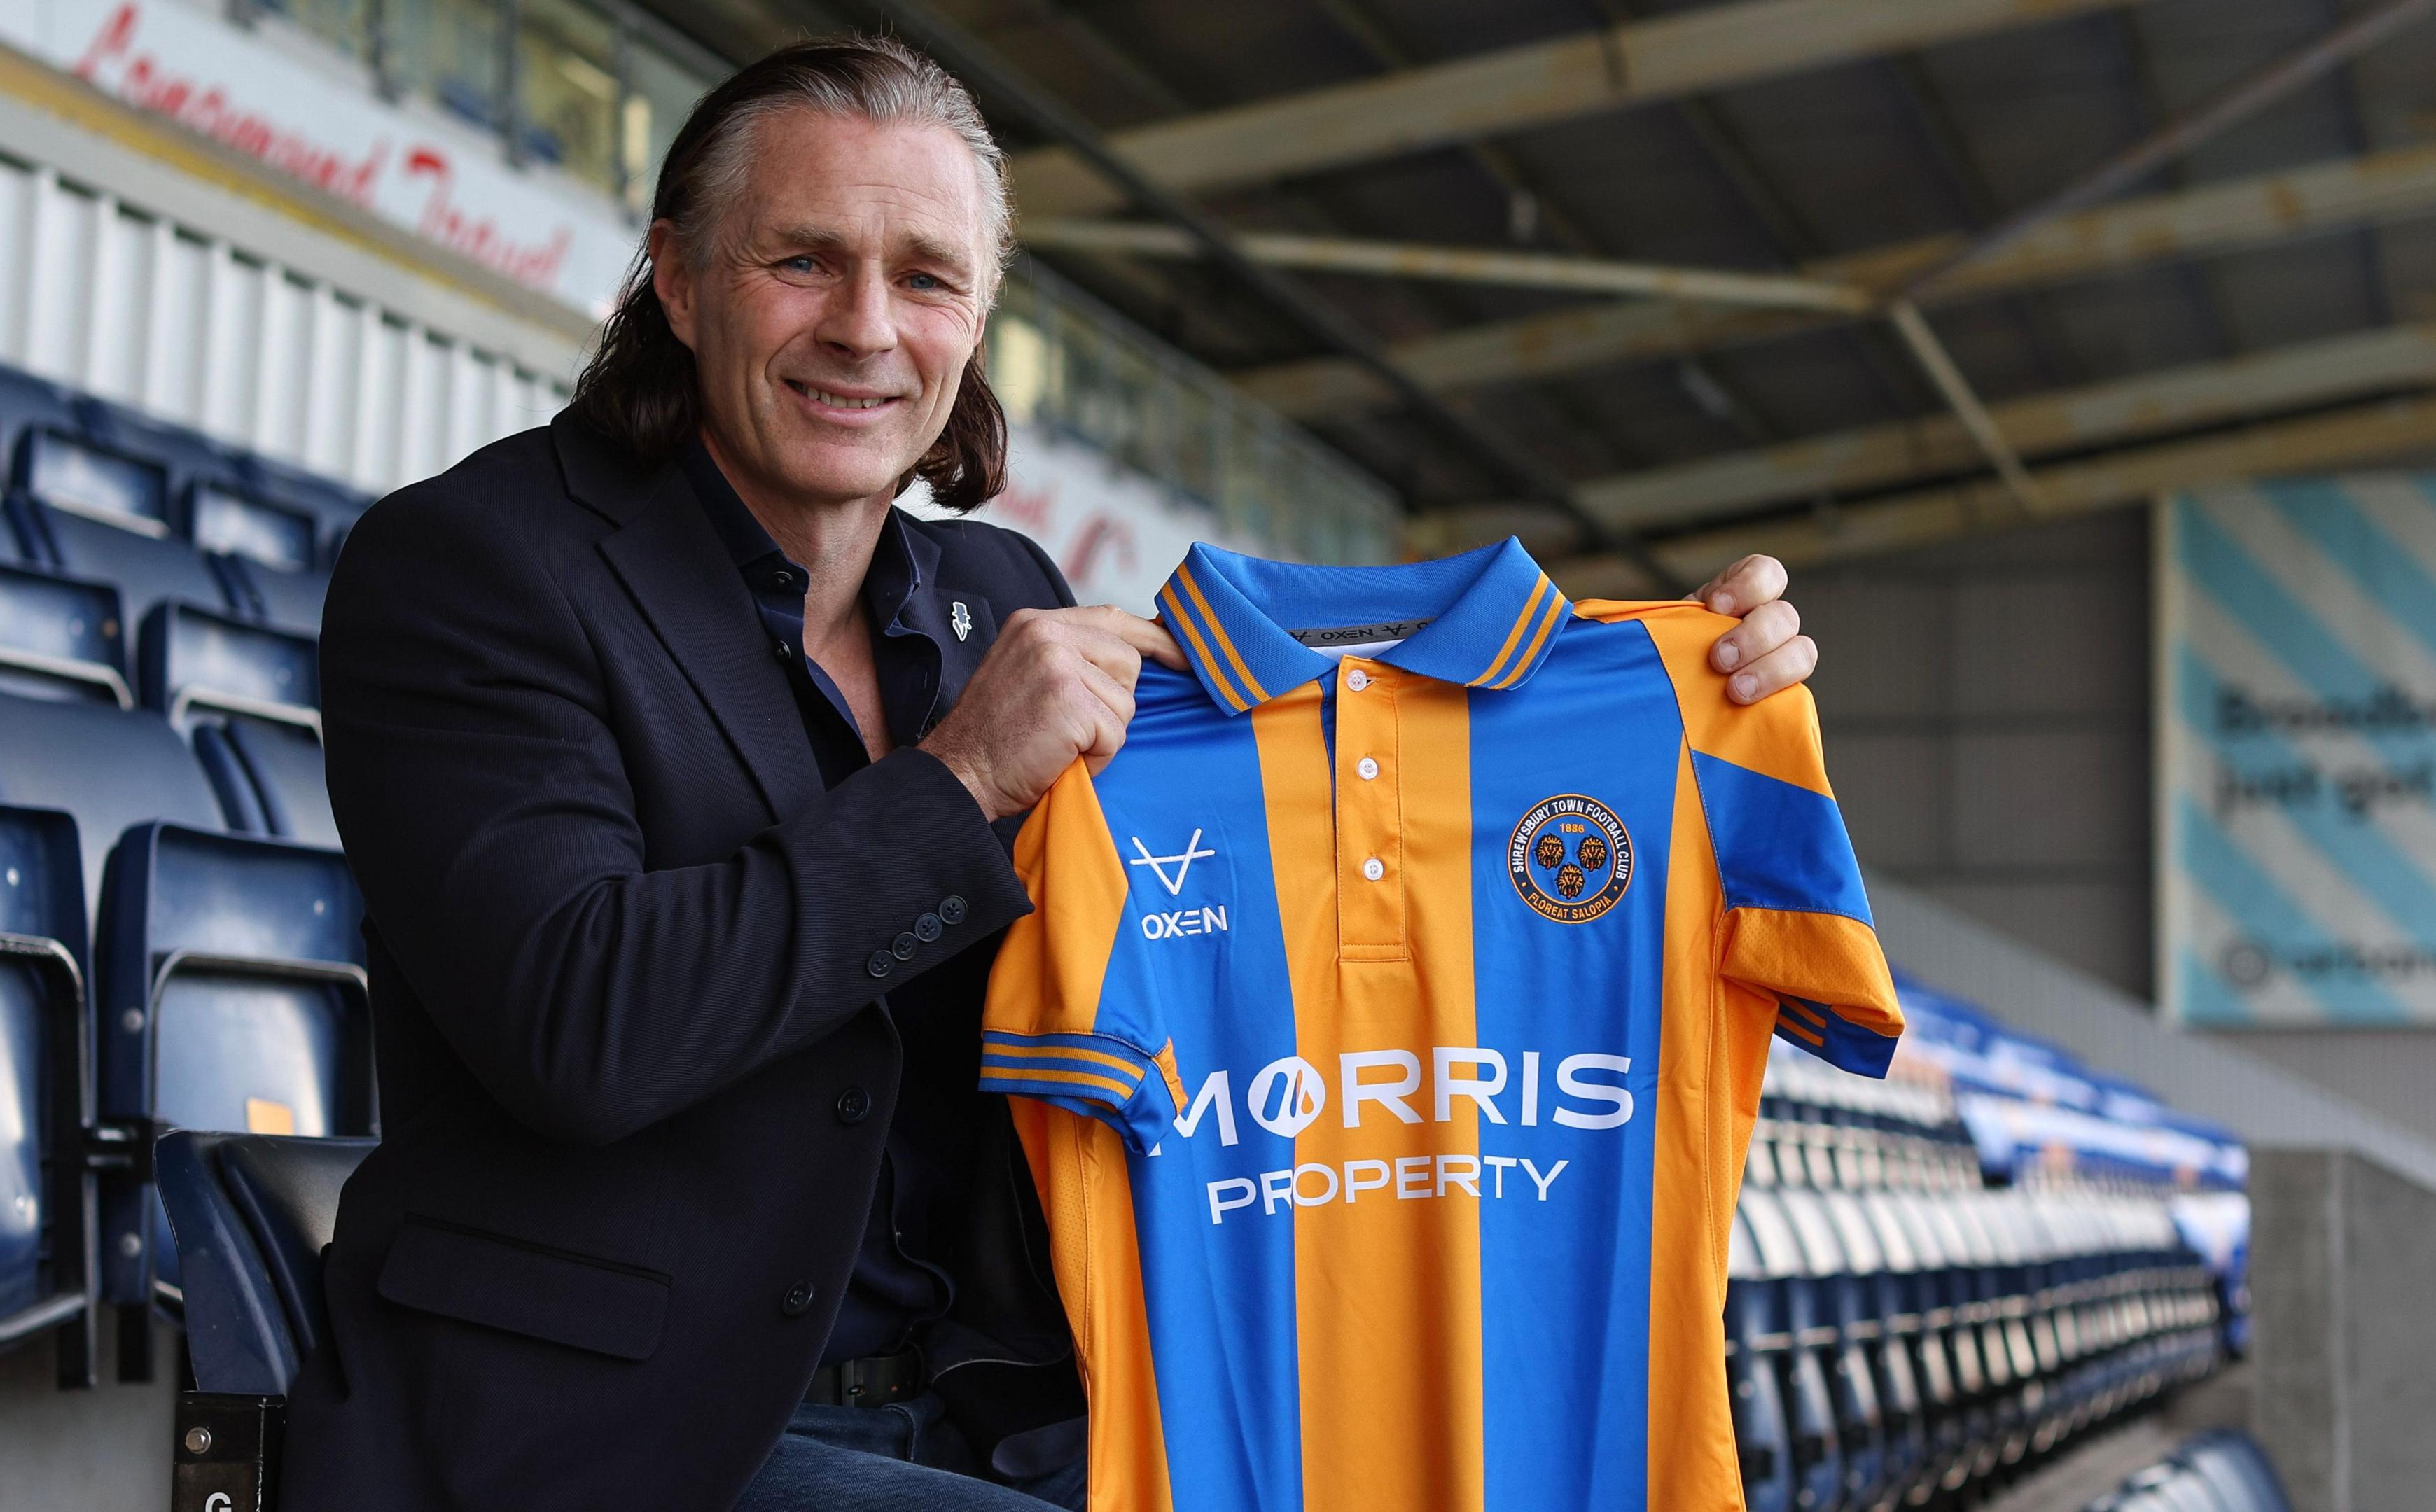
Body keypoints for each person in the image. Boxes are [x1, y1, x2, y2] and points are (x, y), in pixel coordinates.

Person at [285, 35, 1823, 1512]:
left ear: (979, 318)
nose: (867, 328)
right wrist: (955, 783)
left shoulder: (999, 596)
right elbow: (579, 1027)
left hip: (994, 1407)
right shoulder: (474, 566)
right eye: (802, 259)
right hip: (613, 1436)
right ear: (679, 280)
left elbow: (1297, 798)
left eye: (927, 278)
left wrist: (1668, 684)